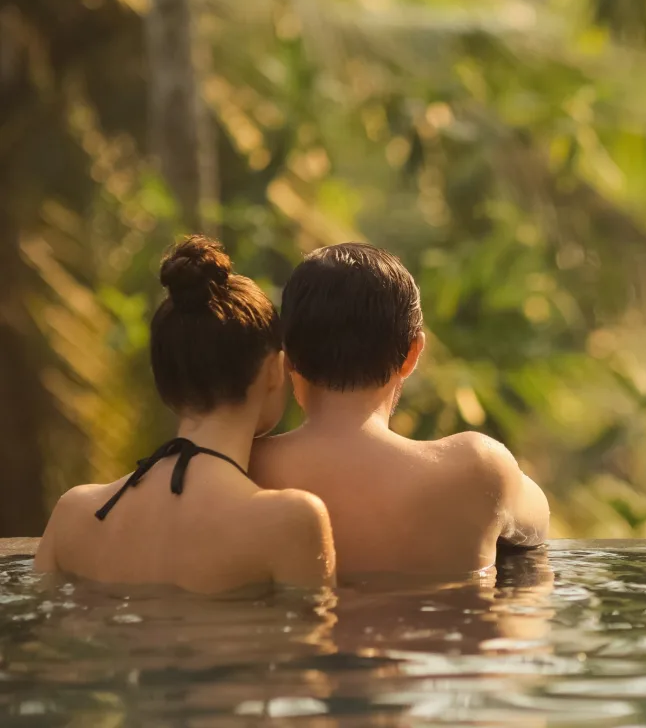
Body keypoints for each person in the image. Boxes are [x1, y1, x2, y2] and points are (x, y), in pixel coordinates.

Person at [35, 236, 336, 593]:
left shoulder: (73, 513)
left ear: (164, 378)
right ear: (274, 370)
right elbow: (311, 646)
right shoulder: (288, 521)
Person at [249, 242, 548, 578]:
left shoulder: (244, 469)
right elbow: (537, 524)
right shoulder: (478, 469)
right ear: (413, 352)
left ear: (287, 357)